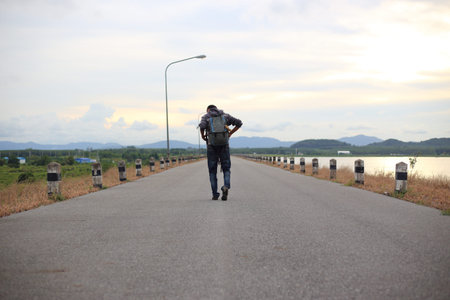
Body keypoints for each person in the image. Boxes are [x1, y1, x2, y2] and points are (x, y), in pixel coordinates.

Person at [199, 105, 243, 200]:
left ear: (208, 110)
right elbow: (239, 123)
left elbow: (202, 126)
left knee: (212, 171)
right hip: (224, 145)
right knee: (226, 169)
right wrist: (230, 133)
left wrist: (203, 136)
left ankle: (215, 194)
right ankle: (226, 186)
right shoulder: (225, 116)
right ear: (217, 109)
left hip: (211, 146)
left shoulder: (206, 117)